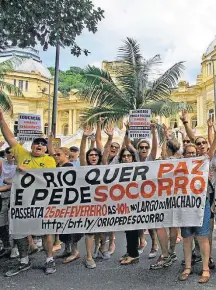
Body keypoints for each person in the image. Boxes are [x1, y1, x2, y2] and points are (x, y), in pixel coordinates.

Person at [0, 107, 56, 277]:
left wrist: (25, 172)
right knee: (19, 231)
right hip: (21, 203)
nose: (39, 145)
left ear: (46, 149)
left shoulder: (49, 160)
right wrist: (2, 120)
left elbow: (46, 178)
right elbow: (10, 138)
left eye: (43, 144)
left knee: (46, 230)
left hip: (42, 203)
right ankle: (24, 260)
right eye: (36, 143)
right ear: (31, 146)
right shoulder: (23, 154)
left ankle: (49, 259)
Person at [179, 144, 213, 283]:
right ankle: (187, 267)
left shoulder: (203, 164)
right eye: (189, 153)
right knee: (187, 238)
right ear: (184, 154)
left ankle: (205, 269)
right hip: (185, 206)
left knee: (202, 237)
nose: (192, 155)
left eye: (194, 153)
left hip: (201, 205)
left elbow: (210, 152)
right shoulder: (178, 167)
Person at [80, 126, 111, 269]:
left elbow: (105, 154)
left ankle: (101, 248)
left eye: (95, 155)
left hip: (102, 203)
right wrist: (84, 138)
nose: (93, 157)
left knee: (102, 230)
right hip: (89, 203)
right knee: (90, 231)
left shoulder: (103, 166)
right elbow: (81, 155)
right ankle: (89, 257)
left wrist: (110, 138)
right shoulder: (84, 167)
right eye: (90, 155)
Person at [53, 147, 83, 263]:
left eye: (58, 154)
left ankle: (75, 251)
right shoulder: (58, 167)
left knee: (72, 226)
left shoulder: (69, 167)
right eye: (55, 155)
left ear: (66, 155)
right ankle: (67, 249)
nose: (56, 156)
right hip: (61, 202)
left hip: (70, 202)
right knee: (63, 226)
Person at [118, 147, 139, 265]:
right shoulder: (118, 169)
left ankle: (134, 254)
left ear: (133, 158)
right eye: (124, 156)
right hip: (124, 202)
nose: (126, 158)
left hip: (134, 202)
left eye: (129, 156)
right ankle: (129, 251)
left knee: (132, 229)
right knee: (127, 229)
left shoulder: (137, 168)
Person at [0, 147, 16, 258]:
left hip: (15, 195)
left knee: (14, 223)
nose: (12, 155)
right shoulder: (2, 163)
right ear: (6, 154)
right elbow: (3, 179)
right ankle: (6, 246)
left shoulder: (20, 165)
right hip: (3, 195)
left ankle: (15, 247)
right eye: (10, 153)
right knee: (2, 224)